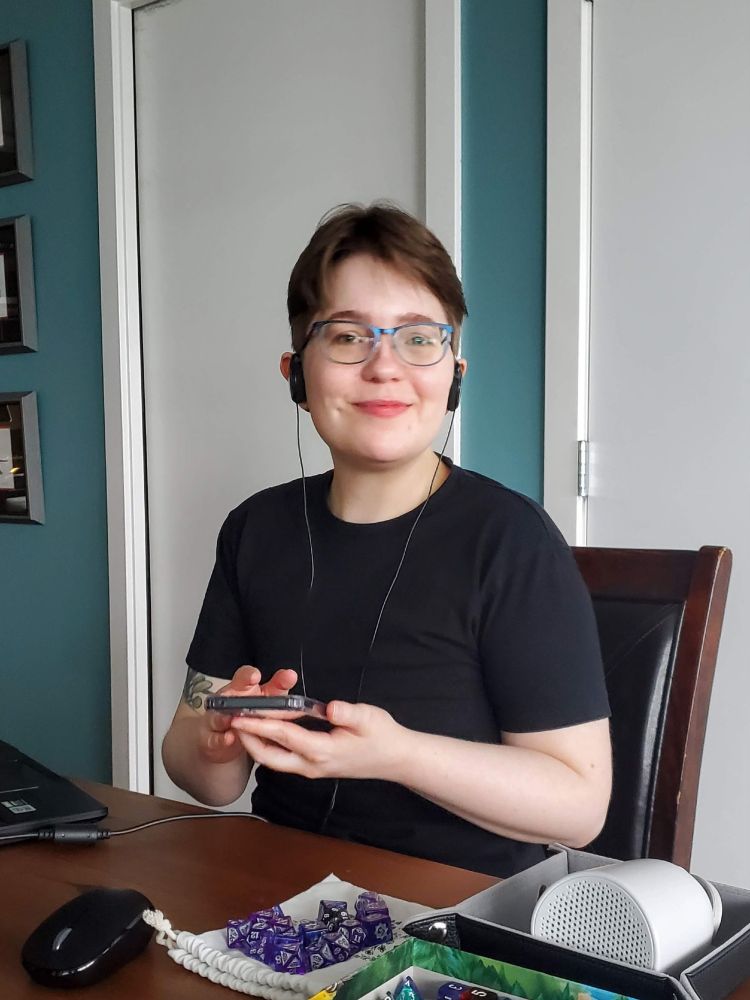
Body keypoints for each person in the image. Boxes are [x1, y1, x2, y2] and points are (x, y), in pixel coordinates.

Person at [162, 203, 612, 878]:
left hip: (460, 920)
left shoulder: (512, 541)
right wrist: (219, 741)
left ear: (455, 373)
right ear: (296, 374)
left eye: (418, 338)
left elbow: (580, 806)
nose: (384, 366)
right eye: (347, 337)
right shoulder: (255, 529)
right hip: (280, 898)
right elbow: (201, 775)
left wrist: (397, 754)